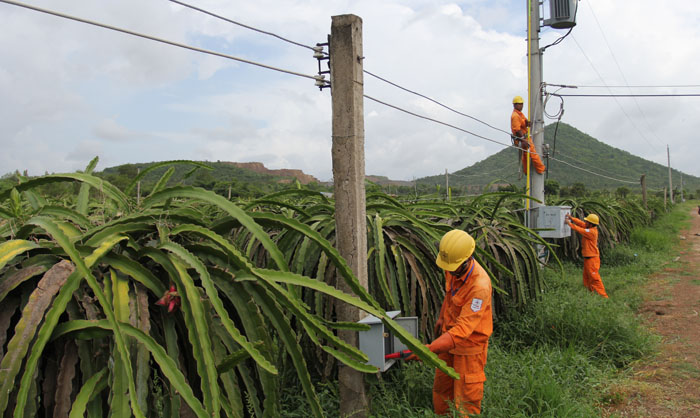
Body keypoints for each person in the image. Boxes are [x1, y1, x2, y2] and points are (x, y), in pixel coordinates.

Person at [408, 229, 493, 416]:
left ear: (466, 259)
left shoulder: (479, 287)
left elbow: (463, 330)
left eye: (452, 267)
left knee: (466, 400)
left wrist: (427, 350)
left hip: (469, 348)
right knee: (441, 389)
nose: (448, 270)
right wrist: (441, 317)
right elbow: (450, 293)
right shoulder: (453, 266)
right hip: (448, 340)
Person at [565, 213, 608, 298]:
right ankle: (591, 293)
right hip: (588, 258)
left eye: (587, 221)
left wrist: (569, 223)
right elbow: (581, 224)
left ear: (591, 223)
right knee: (587, 277)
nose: (585, 222)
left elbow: (580, 230)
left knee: (594, 277)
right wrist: (571, 218)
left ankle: (603, 295)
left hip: (592, 259)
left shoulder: (592, 232)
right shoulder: (589, 227)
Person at [510, 96, 546, 174]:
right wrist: (523, 140)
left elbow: (523, 121)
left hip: (523, 137)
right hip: (522, 138)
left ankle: (526, 171)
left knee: (526, 155)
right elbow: (517, 130)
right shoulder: (515, 116)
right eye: (519, 104)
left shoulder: (519, 114)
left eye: (522, 104)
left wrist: (527, 123)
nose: (521, 106)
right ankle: (541, 168)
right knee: (532, 153)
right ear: (515, 105)